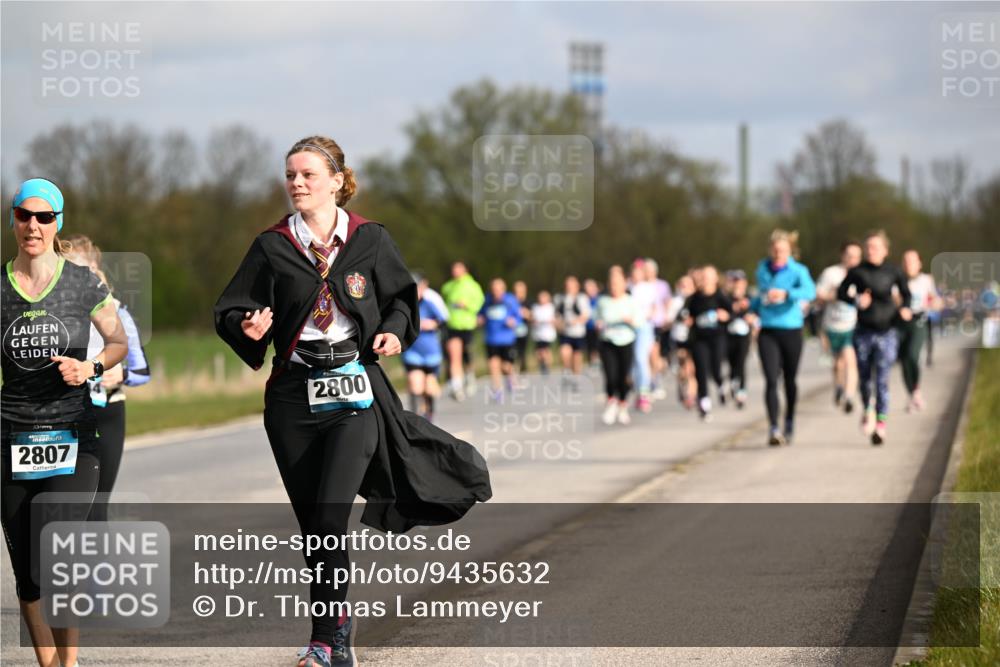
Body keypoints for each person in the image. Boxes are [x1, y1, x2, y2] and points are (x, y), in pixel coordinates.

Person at [214, 136, 491, 667]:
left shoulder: (369, 240)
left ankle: (329, 638)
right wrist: (248, 327)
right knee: (312, 526)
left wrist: (392, 332)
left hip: (354, 390)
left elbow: (401, 301)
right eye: (290, 175)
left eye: (308, 175)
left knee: (329, 515)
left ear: (337, 181)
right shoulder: (272, 246)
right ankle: (333, 625)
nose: (296, 183)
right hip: (293, 399)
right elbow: (231, 309)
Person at [2, 178, 127, 667]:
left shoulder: (81, 282)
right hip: (10, 437)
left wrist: (90, 367)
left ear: (58, 223)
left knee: (57, 555)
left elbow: (119, 344)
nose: (33, 225)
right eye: (24, 215)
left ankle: (69, 664)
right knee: (29, 575)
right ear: (13, 219)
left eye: (44, 217)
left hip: (74, 436)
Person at [63, 235, 151, 523]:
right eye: (67, 270)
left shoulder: (118, 312)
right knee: (64, 506)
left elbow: (142, 371)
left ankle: (96, 568)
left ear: (95, 270)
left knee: (95, 507)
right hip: (65, 413)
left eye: (81, 270)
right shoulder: (53, 314)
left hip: (108, 411)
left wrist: (121, 373)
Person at [837, 230, 912, 445]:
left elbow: (906, 294)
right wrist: (856, 300)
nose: (871, 251)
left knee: (882, 379)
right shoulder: (857, 272)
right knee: (865, 378)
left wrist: (905, 308)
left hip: (887, 331)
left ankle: (880, 424)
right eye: (868, 247)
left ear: (885, 251)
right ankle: (867, 408)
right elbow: (842, 293)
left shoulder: (894, 271)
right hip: (863, 332)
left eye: (876, 247)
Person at [751, 229, 817, 446]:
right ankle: (773, 427)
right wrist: (749, 308)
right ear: (770, 249)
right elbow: (760, 297)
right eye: (775, 250)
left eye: (783, 250)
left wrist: (787, 294)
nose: (778, 253)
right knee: (771, 379)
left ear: (790, 251)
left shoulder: (798, 270)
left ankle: (789, 420)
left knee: (789, 380)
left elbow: (810, 292)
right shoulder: (762, 269)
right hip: (768, 330)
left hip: (791, 330)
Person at [815, 241, 863, 414]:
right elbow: (818, 295)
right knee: (838, 364)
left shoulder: (863, 274)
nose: (853, 260)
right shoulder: (831, 273)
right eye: (849, 256)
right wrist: (833, 295)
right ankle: (839, 387)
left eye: (857, 256)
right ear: (842, 255)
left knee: (850, 359)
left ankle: (849, 396)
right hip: (832, 325)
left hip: (852, 325)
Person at [595, 265, 642, 425]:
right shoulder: (603, 301)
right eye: (612, 284)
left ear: (624, 284)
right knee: (610, 375)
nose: (614, 287)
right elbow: (595, 319)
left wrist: (630, 321)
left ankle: (622, 404)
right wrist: (598, 324)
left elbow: (639, 322)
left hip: (626, 341)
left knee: (623, 376)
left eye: (618, 283)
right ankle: (611, 403)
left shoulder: (630, 301)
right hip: (607, 341)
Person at [402, 273, 448, 422]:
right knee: (416, 386)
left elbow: (443, 320)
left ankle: (429, 416)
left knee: (429, 388)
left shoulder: (430, 303)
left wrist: (432, 324)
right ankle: (415, 421)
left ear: (423, 287)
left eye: (418, 287)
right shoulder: (404, 304)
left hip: (431, 352)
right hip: (412, 351)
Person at [899, 249, 940, 413]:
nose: (909, 264)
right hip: (900, 323)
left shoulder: (926, 280)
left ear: (919, 263)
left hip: (919, 321)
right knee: (903, 361)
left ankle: (915, 391)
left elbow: (935, 300)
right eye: (906, 261)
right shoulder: (898, 279)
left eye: (912, 261)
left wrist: (934, 303)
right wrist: (899, 307)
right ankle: (912, 395)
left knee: (912, 355)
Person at [440, 261, 485, 401]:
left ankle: (470, 376)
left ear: (465, 270)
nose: (455, 272)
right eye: (454, 269)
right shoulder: (448, 286)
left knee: (467, 356)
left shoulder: (473, 286)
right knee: (454, 356)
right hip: (453, 326)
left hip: (467, 325)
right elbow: (443, 304)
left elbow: (480, 302)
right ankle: (457, 386)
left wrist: (467, 306)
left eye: (458, 269)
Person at [477, 277, 523, 402]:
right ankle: (497, 390)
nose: (496, 292)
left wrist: (513, 322)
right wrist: (480, 319)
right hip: (491, 339)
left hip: (507, 339)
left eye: (498, 289)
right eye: (493, 289)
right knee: (493, 365)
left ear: (503, 289)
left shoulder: (510, 300)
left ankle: (510, 378)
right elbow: (481, 313)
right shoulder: (487, 300)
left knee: (506, 366)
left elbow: (519, 317)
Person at [628, 260, 658, 413]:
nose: (636, 274)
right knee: (632, 362)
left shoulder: (648, 288)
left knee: (641, 358)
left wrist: (642, 317)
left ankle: (644, 392)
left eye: (639, 271)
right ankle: (638, 390)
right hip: (628, 328)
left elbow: (653, 309)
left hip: (644, 327)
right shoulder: (628, 287)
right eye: (634, 271)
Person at [724, 270, 754, 409]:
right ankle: (733, 383)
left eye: (740, 281)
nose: (738, 284)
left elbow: (755, 314)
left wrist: (751, 317)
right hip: (729, 335)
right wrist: (733, 309)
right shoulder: (727, 299)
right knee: (731, 362)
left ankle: (741, 390)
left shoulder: (750, 298)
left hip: (744, 335)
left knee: (741, 362)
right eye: (735, 281)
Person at [667, 273, 697, 409]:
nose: (685, 287)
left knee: (691, 368)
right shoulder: (675, 301)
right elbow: (667, 319)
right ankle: (682, 386)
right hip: (678, 338)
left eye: (688, 285)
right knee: (682, 369)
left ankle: (691, 395)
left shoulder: (696, 300)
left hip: (694, 337)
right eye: (682, 285)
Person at [554, 275, 591, 385]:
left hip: (578, 333)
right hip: (565, 332)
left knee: (577, 358)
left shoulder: (582, 298)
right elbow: (556, 314)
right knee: (564, 352)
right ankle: (566, 369)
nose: (569, 287)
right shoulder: (559, 298)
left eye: (571, 285)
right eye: (567, 285)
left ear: (577, 286)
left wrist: (575, 321)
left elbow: (586, 315)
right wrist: (558, 323)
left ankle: (576, 378)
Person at [645, 258, 673, 400]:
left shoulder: (662, 285)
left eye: (650, 271)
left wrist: (668, 317)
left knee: (655, 354)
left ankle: (656, 380)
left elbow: (667, 302)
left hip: (658, 323)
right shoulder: (640, 285)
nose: (648, 273)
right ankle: (651, 380)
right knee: (649, 355)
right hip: (644, 324)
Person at [530, 290, 558, 375]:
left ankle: (547, 366)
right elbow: (532, 318)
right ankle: (542, 364)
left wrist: (552, 322)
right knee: (538, 351)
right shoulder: (535, 307)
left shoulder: (551, 307)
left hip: (547, 334)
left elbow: (555, 319)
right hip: (538, 333)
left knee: (546, 350)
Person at [512, 280, 531, 373]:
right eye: (516, 291)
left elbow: (531, 316)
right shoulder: (511, 302)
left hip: (523, 331)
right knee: (512, 353)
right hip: (512, 332)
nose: (518, 293)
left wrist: (525, 314)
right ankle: (513, 373)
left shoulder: (528, 302)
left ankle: (523, 371)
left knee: (521, 353)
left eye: (520, 291)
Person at [583, 278, 602, 367]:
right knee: (590, 347)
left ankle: (599, 360)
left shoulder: (601, 299)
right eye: (587, 288)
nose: (589, 290)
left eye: (591, 287)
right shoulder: (583, 300)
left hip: (599, 328)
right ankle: (592, 363)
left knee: (598, 346)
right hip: (587, 327)